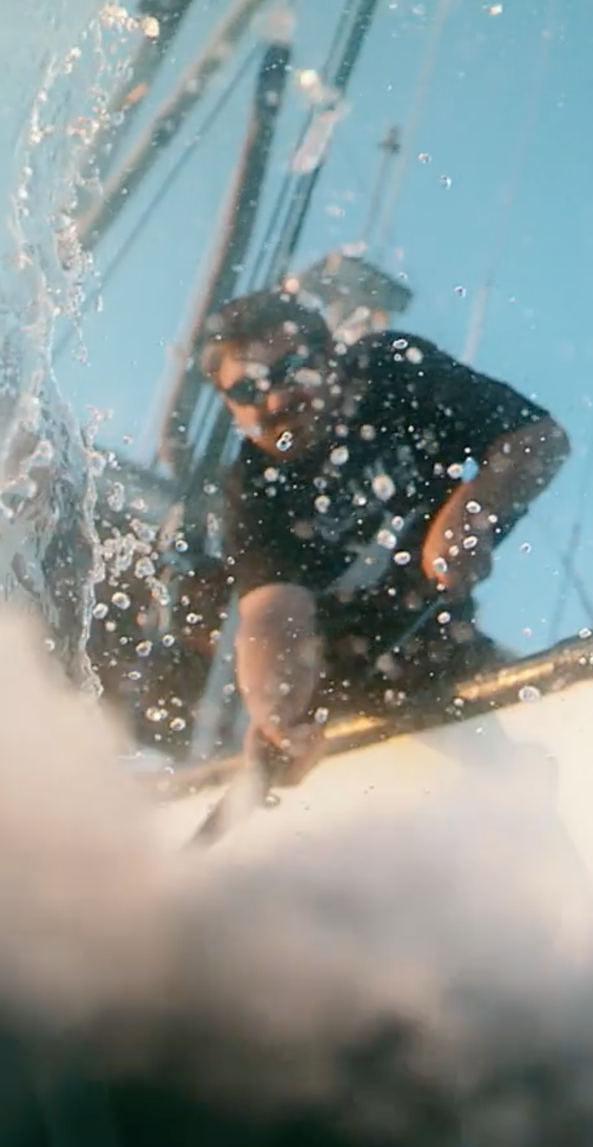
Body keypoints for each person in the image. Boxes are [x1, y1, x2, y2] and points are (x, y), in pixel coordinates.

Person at [198, 291, 568, 783]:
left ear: (332, 355)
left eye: (290, 369)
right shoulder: (252, 487)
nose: (276, 400)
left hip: (445, 647)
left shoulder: (394, 372)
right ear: (229, 405)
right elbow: (272, 615)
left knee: (550, 738)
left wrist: (472, 514)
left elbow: (539, 438)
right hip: (339, 696)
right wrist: (277, 717)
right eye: (248, 390)